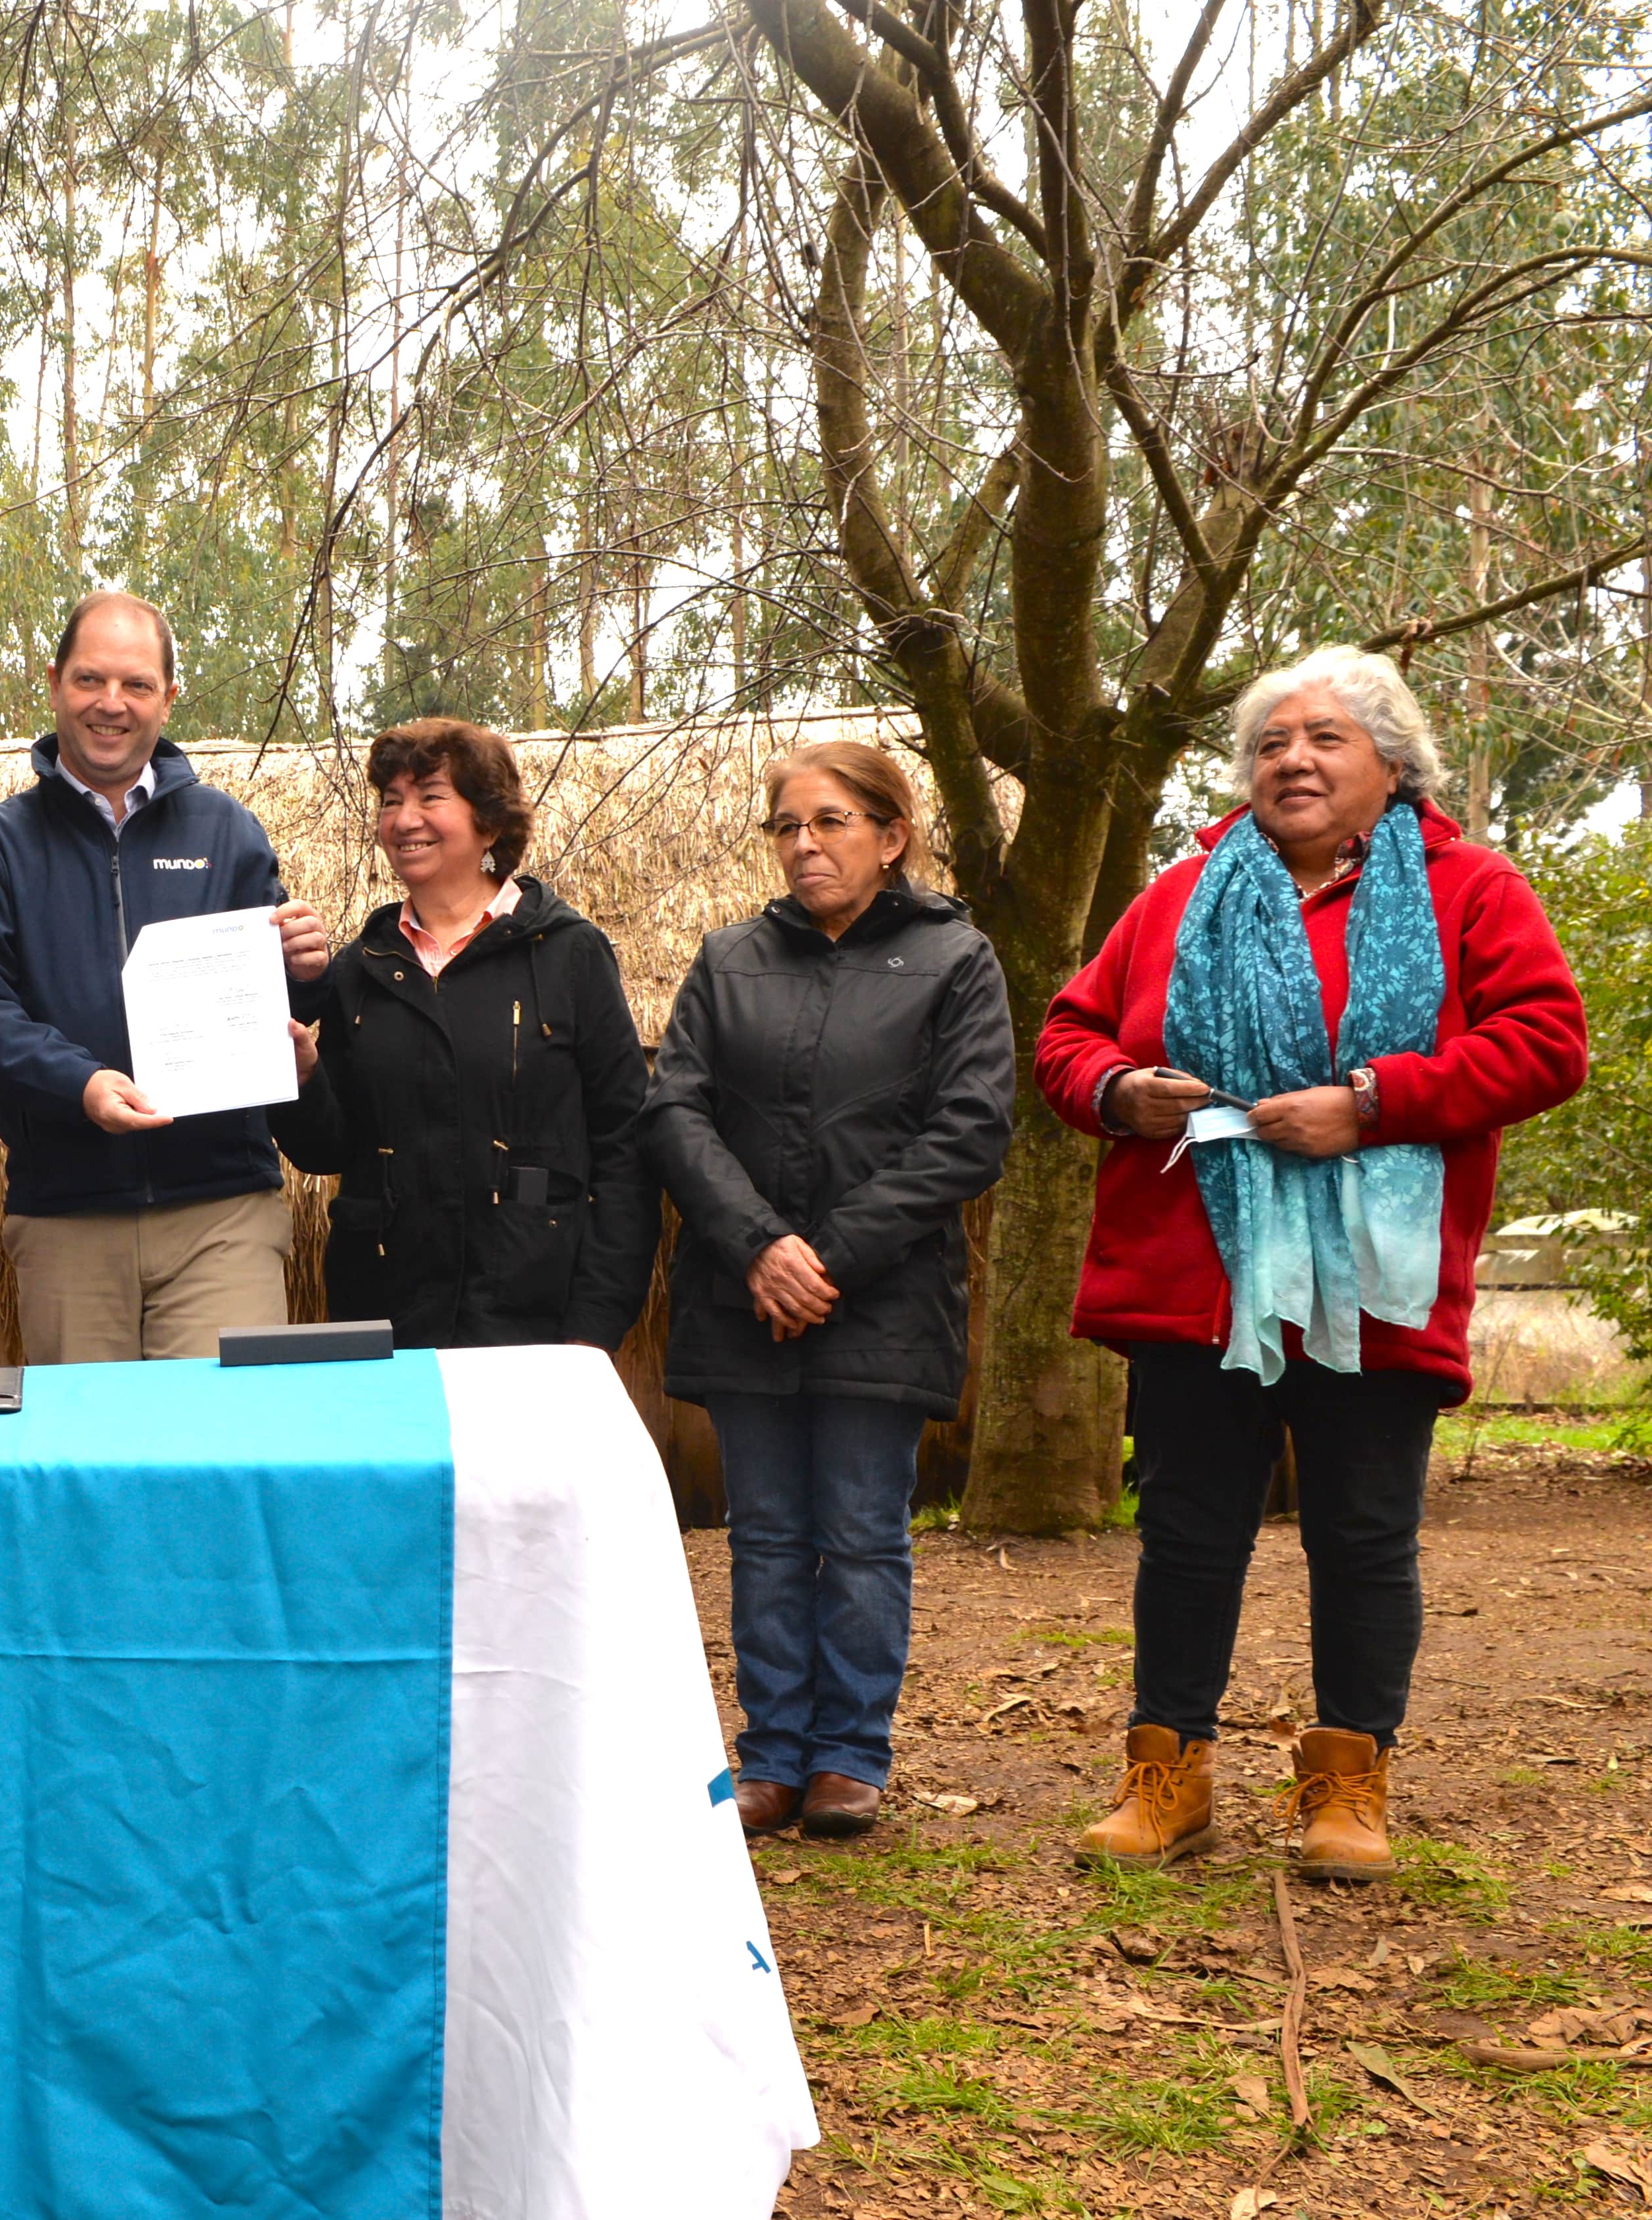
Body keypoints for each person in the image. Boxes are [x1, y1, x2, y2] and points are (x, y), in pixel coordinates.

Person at [1039, 646, 1586, 1880]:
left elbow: (1546, 1041)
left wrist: (1370, 1103)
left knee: (1360, 1533)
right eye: (1269, 742)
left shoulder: (1468, 891)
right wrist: (1119, 1090)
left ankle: (1345, 1789)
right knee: (1184, 1532)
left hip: (1369, 1285)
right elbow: (1067, 1036)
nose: (1289, 758)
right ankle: (1163, 1777)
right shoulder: (1180, 894)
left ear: (1391, 765)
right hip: (1197, 1277)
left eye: (1322, 738)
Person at [645, 742, 1014, 1842]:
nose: (804, 844)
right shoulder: (727, 959)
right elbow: (673, 1110)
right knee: (761, 1532)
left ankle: (848, 1757)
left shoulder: (954, 959)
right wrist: (760, 1246)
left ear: (889, 836)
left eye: (832, 821)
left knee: (857, 1529)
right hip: (742, 1291)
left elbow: (968, 1131)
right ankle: (771, 1753)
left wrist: (826, 1256)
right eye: (787, 825)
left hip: (881, 1298)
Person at [0, 592, 330, 1361]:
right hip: (67, 1216)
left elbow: (275, 1000)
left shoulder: (228, 829)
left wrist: (305, 974)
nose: (112, 704)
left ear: (169, 698)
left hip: (224, 1212)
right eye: (90, 680)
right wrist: (80, 1084)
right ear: (53, 684)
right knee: (90, 1467)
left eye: (137, 685)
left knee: (224, 1456)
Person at [268, 718, 657, 1351]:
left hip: (536, 1318)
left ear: (491, 822)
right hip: (385, 1322)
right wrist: (305, 1078)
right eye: (391, 800)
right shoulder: (359, 969)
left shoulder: (570, 954)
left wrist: (595, 1322)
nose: (403, 818)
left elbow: (625, 1146)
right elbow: (329, 1153)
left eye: (430, 796)